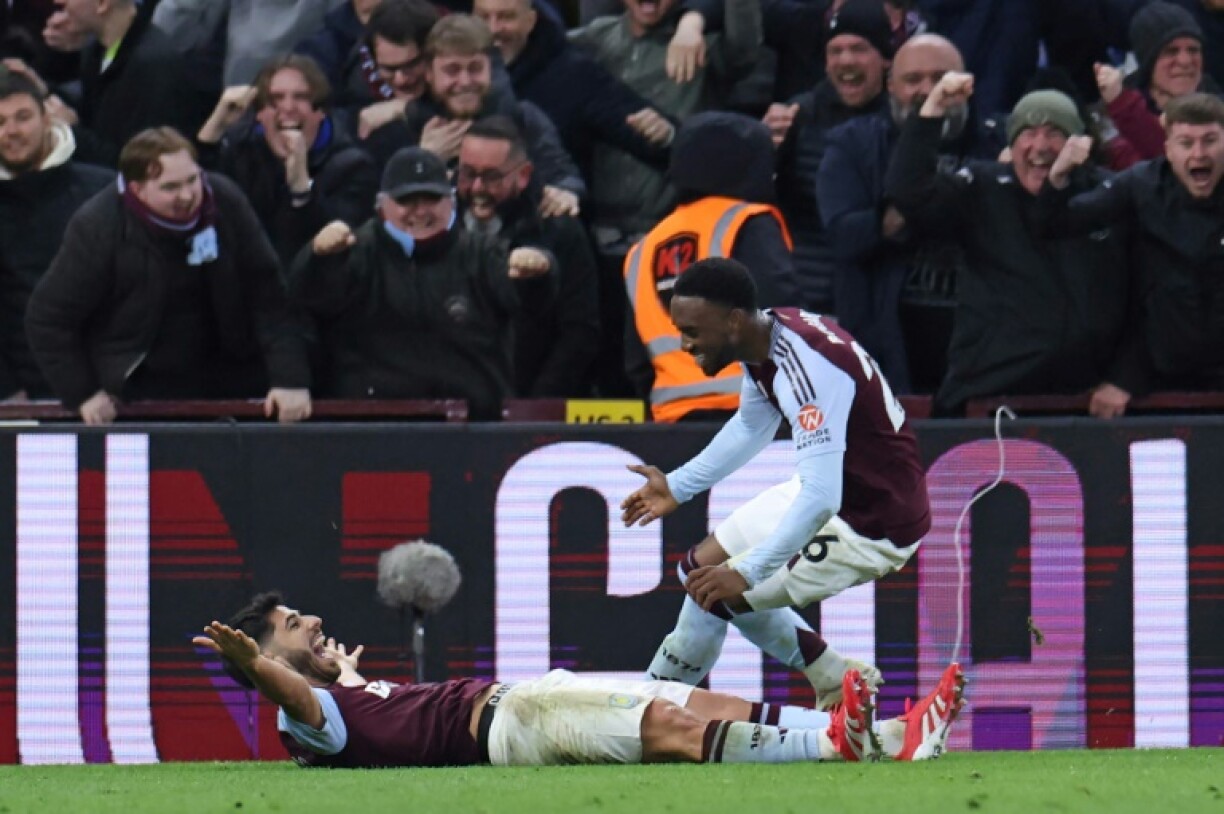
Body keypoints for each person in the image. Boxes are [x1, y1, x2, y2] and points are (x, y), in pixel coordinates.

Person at [620, 257, 928, 709]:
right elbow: (750, 427)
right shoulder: (768, 339)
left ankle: (645, 708)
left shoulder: (810, 369)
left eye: (692, 331)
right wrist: (678, 486)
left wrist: (746, 572)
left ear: (732, 320)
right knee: (698, 573)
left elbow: (823, 498)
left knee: (716, 593)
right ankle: (834, 677)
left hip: (870, 523)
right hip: (830, 493)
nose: (684, 344)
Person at [193, 591, 967, 767]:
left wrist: (343, 668)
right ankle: (842, 747)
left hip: (518, 696)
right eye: (295, 625)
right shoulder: (300, 713)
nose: (313, 623)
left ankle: (896, 734)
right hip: (512, 724)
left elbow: (328, 687)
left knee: (693, 700)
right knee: (663, 730)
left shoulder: (338, 691)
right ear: (269, 657)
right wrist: (255, 667)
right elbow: (295, 696)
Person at [885, 74, 1148, 417]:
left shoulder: (1109, 196)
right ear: (1011, 144)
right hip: (992, 392)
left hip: (1091, 399)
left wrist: (1125, 377)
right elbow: (907, 192)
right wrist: (933, 109)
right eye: (1028, 133)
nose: (1040, 146)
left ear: (1077, 144)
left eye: (1055, 133)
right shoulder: (982, 188)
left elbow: (1148, 296)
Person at [25, 127, 313, 425]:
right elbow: (47, 318)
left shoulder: (225, 200)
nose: (187, 195)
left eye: (193, 180)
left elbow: (270, 298)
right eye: (170, 187)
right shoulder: (99, 226)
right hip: (139, 390)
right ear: (137, 189)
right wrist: (83, 393)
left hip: (229, 374)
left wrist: (289, 377)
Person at [289, 146, 553, 419]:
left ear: (451, 200)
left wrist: (538, 273)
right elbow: (306, 300)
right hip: (372, 429)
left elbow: (531, 303)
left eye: (431, 199)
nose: (421, 211)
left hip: (471, 428)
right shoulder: (355, 251)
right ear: (381, 205)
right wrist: (317, 258)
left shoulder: (482, 253)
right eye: (407, 200)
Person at [815, 33, 971, 394]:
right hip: (886, 346)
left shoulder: (993, 144)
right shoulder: (852, 143)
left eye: (940, 79)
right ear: (890, 87)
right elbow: (844, 237)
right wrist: (917, 196)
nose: (929, 91)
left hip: (977, 347)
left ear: (967, 85)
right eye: (913, 80)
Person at [1036, 91, 1224, 388]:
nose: (1199, 154)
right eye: (1186, 143)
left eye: (1210, 141)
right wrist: (1058, 178)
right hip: (1158, 363)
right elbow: (1061, 223)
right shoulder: (1142, 184)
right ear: (1169, 150)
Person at [623, 111, 798, 422]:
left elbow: (636, 362)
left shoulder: (643, 248)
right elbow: (782, 312)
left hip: (674, 422)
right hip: (753, 414)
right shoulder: (747, 221)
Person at [362, 14, 585, 218]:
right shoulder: (400, 127)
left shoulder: (524, 117)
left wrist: (566, 193)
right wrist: (425, 161)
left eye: (475, 68)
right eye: (452, 70)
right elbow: (377, 211)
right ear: (429, 74)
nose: (465, 81)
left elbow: (564, 176)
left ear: (491, 70)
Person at [456, 117, 601, 398]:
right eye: (466, 173)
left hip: (536, 405)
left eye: (491, 177)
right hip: (457, 407)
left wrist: (535, 405)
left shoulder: (558, 229)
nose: (476, 188)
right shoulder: (440, 225)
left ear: (523, 175)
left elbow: (580, 333)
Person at [196, 54, 378, 266]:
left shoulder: (353, 166)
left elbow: (334, 249)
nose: (288, 108)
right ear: (259, 114)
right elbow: (197, 199)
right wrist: (213, 131)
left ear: (321, 111)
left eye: (301, 97)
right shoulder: (244, 150)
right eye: (275, 99)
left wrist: (301, 188)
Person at [770, 0, 892, 313]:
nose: (846, 60)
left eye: (859, 48)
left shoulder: (901, 121)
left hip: (872, 298)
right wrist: (766, 149)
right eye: (835, 51)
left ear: (886, 59)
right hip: (803, 293)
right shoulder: (798, 115)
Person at [0, 67, 112, 401]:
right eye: (1, 122)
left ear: (47, 118)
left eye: (22, 117)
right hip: (22, 398)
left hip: (112, 392)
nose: (11, 131)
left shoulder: (105, 189)